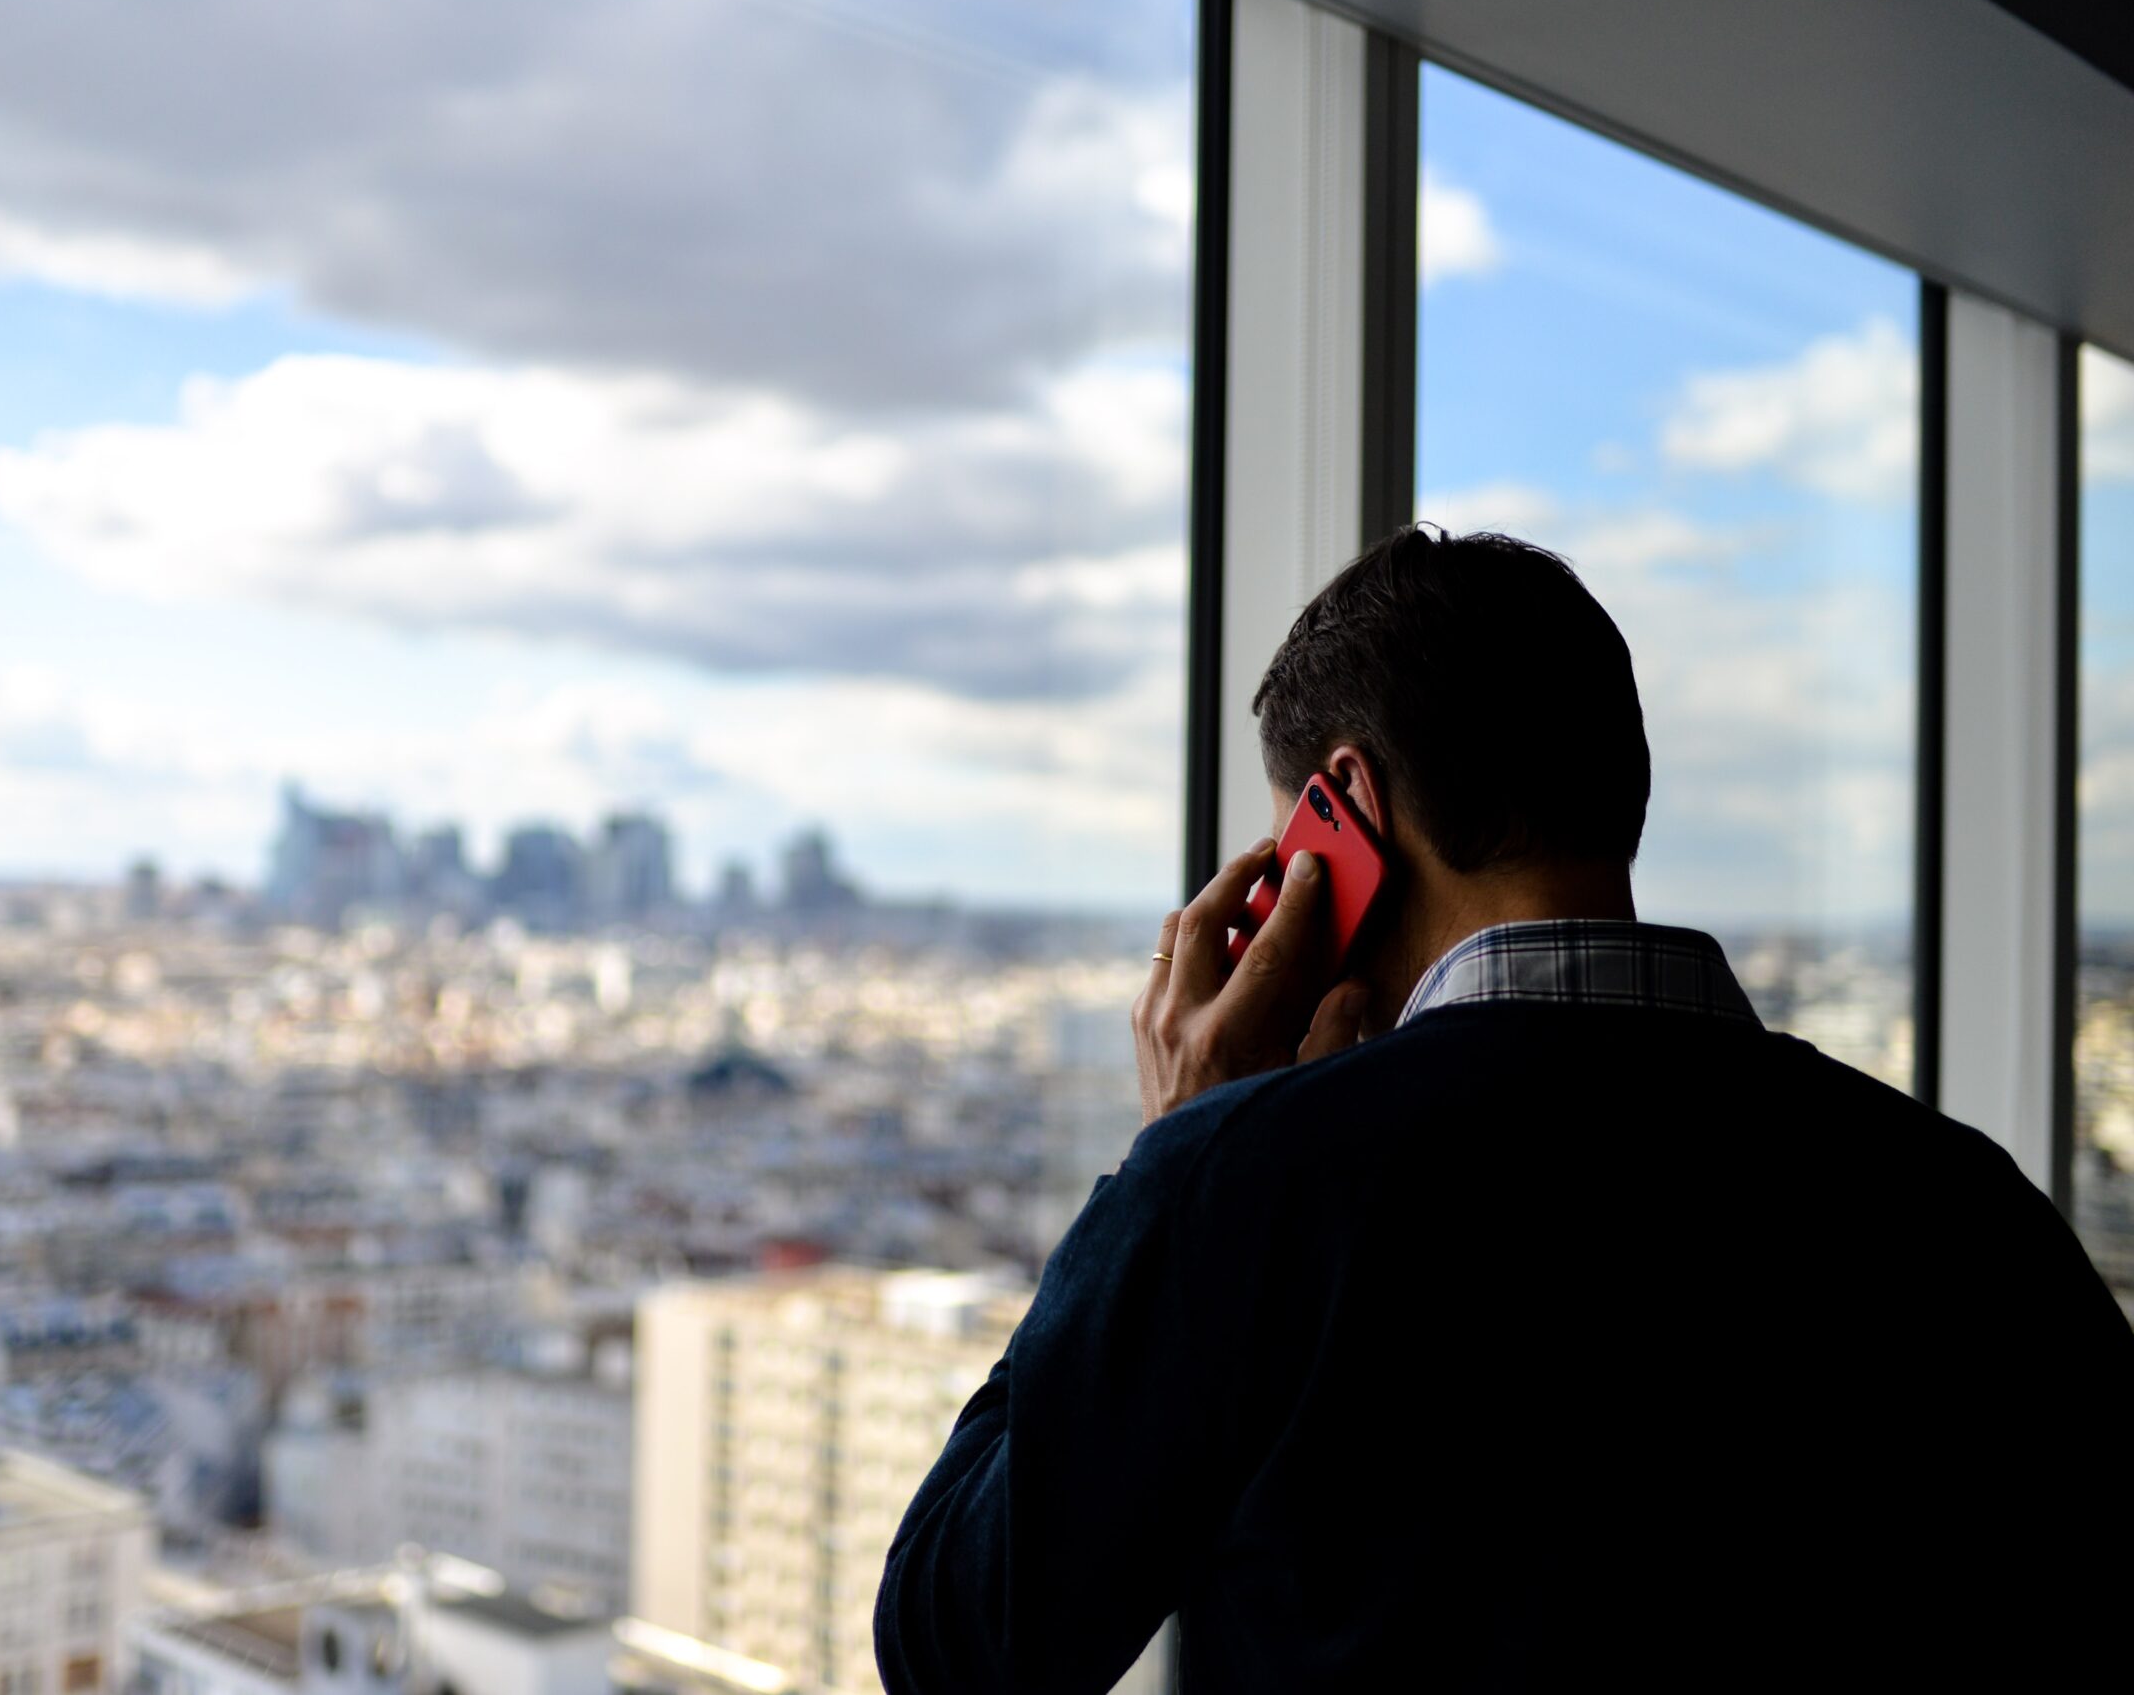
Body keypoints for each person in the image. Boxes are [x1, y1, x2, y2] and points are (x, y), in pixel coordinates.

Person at [874, 526, 2134, 1692]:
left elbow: (955, 1643)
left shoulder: (1261, 1183)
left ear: (1345, 807)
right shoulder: (1963, 1195)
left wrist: (1174, 1152)